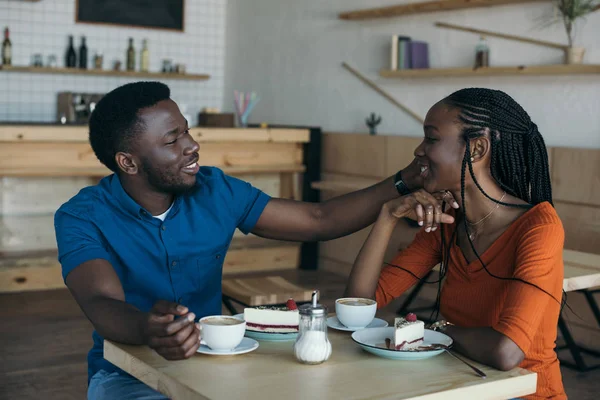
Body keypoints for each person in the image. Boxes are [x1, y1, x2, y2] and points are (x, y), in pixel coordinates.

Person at [54, 81, 457, 399]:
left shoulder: (215, 189)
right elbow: (101, 303)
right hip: (127, 374)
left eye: (187, 132)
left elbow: (319, 219)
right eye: (172, 140)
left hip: (219, 363)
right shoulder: (81, 216)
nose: (192, 146)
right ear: (128, 161)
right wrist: (149, 328)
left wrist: (406, 179)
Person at [344, 88, 566, 399]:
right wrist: (387, 216)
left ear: (476, 149)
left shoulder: (539, 227)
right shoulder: (448, 224)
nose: (418, 151)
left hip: (522, 393)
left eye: (431, 138)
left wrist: (435, 330)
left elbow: (506, 352)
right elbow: (357, 308)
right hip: (457, 384)